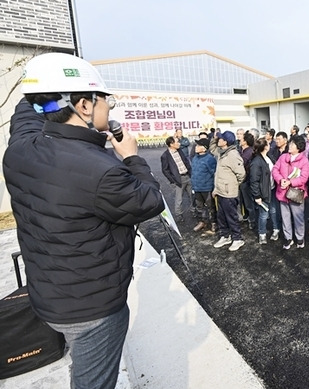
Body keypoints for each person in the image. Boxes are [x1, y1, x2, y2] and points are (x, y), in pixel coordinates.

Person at [3, 52, 165, 389]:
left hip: (48, 297)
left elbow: (26, 113)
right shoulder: (102, 171)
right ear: (85, 105)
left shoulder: (20, 149)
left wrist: (41, 89)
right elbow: (150, 201)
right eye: (107, 100)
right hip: (93, 311)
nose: (111, 108)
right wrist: (133, 158)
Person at [272, 135, 309, 249]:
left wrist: (290, 182)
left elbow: (304, 178)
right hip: (282, 192)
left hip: (296, 193)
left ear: (299, 147)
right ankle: (288, 238)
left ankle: (299, 238)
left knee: (298, 217)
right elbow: (275, 169)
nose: (290, 145)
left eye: (292, 144)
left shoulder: (304, 160)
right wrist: (280, 180)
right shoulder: (283, 157)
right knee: (285, 217)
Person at [213, 131, 247, 252]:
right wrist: (216, 189)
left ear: (225, 141)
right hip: (221, 191)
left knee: (231, 216)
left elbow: (241, 174)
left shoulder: (232, 154)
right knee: (221, 216)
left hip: (229, 192)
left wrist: (233, 185)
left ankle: (237, 239)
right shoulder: (222, 153)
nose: (218, 140)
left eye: (220, 138)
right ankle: (225, 236)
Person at [250, 138, 277, 244]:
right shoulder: (256, 162)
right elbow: (254, 181)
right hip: (263, 192)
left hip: (272, 188)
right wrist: (257, 196)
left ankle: (276, 229)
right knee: (264, 213)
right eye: (268, 144)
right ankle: (262, 233)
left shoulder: (269, 157)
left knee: (274, 210)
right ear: (265, 147)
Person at [161, 135, 193, 221]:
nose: (179, 143)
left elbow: (186, 161)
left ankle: (193, 209)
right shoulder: (165, 156)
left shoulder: (180, 151)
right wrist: (173, 180)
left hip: (187, 176)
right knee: (179, 199)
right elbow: (165, 170)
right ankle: (179, 214)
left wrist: (190, 171)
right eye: (177, 142)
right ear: (171, 144)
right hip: (178, 179)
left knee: (192, 195)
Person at [191, 138, 218, 234]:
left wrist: (214, 187)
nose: (196, 147)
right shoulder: (195, 158)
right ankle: (202, 222)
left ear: (205, 148)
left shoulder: (210, 159)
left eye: (198, 146)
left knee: (211, 207)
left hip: (207, 188)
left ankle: (214, 223)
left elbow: (214, 173)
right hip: (197, 187)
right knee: (199, 207)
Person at [238, 131, 256, 229]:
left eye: (241, 138)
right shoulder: (241, 150)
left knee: (248, 201)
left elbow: (242, 163)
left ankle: (252, 220)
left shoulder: (249, 152)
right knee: (243, 200)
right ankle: (246, 216)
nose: (239, 139)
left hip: (246, 180)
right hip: (241, 179)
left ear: (245, 141)